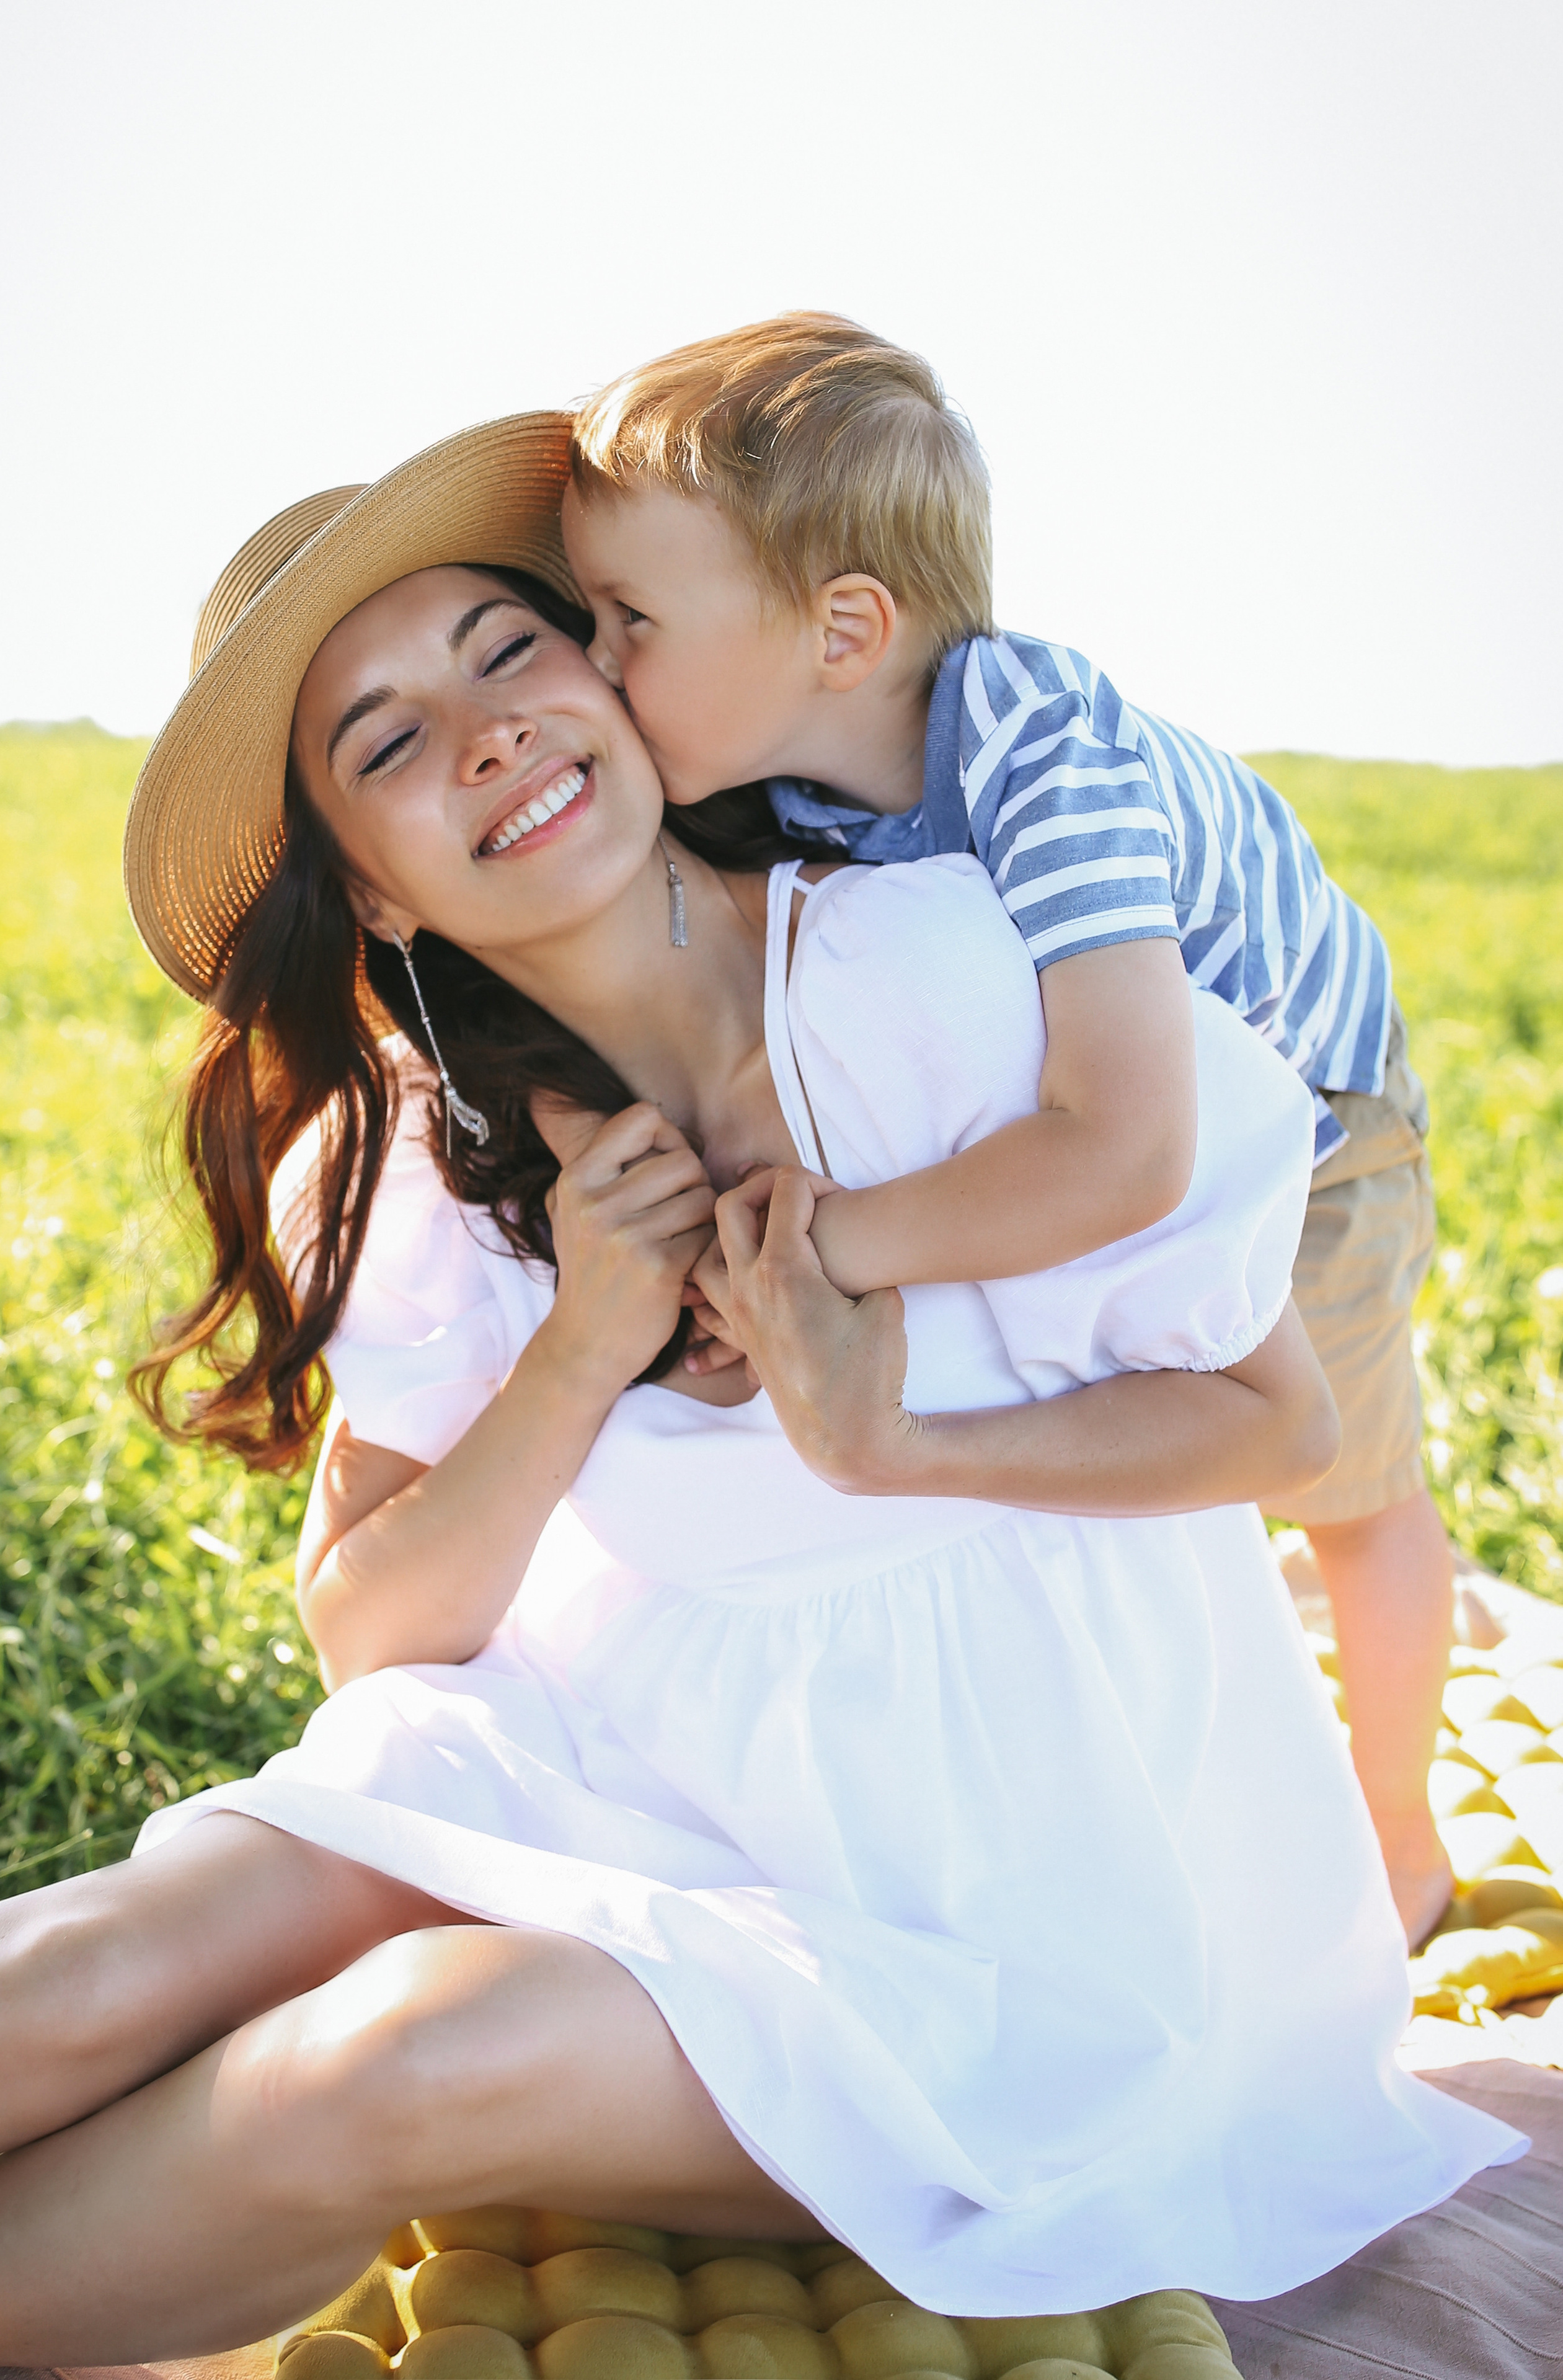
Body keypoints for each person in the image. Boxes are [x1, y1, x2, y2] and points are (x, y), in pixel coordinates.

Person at [0, 424, 1515, 2367]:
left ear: (614, 674)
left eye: (507, 653)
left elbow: (1285, 1426)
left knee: (391, 2056)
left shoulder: (950, 982)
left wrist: (897, 1444)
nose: (485, 736)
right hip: (597, 1774)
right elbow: (381, 1638)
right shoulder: (416, 1165)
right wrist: (581, 1343)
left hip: (1013, 1918)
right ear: (367, 896)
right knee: (83, 1965)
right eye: (383, 742)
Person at [559, 313, 1456, 1946]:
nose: (593, 668)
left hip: (1310, 1120)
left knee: (1347, 1484)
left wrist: (820, 1243)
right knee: (1150, 1459)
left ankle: (1400, 1839)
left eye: (629, 621)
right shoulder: (786, 773)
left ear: (844, 629)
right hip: (1120, 1108)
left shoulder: (1052, 766)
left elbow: (1130, 1153)